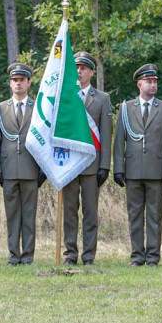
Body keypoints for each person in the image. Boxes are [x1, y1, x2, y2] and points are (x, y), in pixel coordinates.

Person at [112, 64, 162, 266]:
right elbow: (119, 141)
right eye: (149, 81)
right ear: (139, 84)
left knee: (154, 216)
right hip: (132, 170)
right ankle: (136, 255)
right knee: (134, 215)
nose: (153, 85)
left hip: (156, 170)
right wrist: (118, 169)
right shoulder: (126, 108)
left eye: (155, 81)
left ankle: (152, 256)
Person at [61, 51, 112, 265]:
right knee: (69, 212)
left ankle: (89, 255)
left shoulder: (102, 99)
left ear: (91, 72)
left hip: (92, 164)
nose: (80, 71)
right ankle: (70, 254)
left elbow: (107, 133)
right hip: (69, 163)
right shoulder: (64, 96)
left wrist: (105, 166)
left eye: (84, 68)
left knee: (90, 213)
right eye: (77, 68)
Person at [0, 62, 43, 265]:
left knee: (29, 215)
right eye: (15, 80)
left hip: (31, 168)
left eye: (22, 80)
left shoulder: (38, 107)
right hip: (8, 168)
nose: (18, 84)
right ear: (10, 84)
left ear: (29, 83)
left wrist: (43, 169)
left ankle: (28, 255)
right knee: (12, 215)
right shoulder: (0, 108)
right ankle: (14, 255)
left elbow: (44, 139)